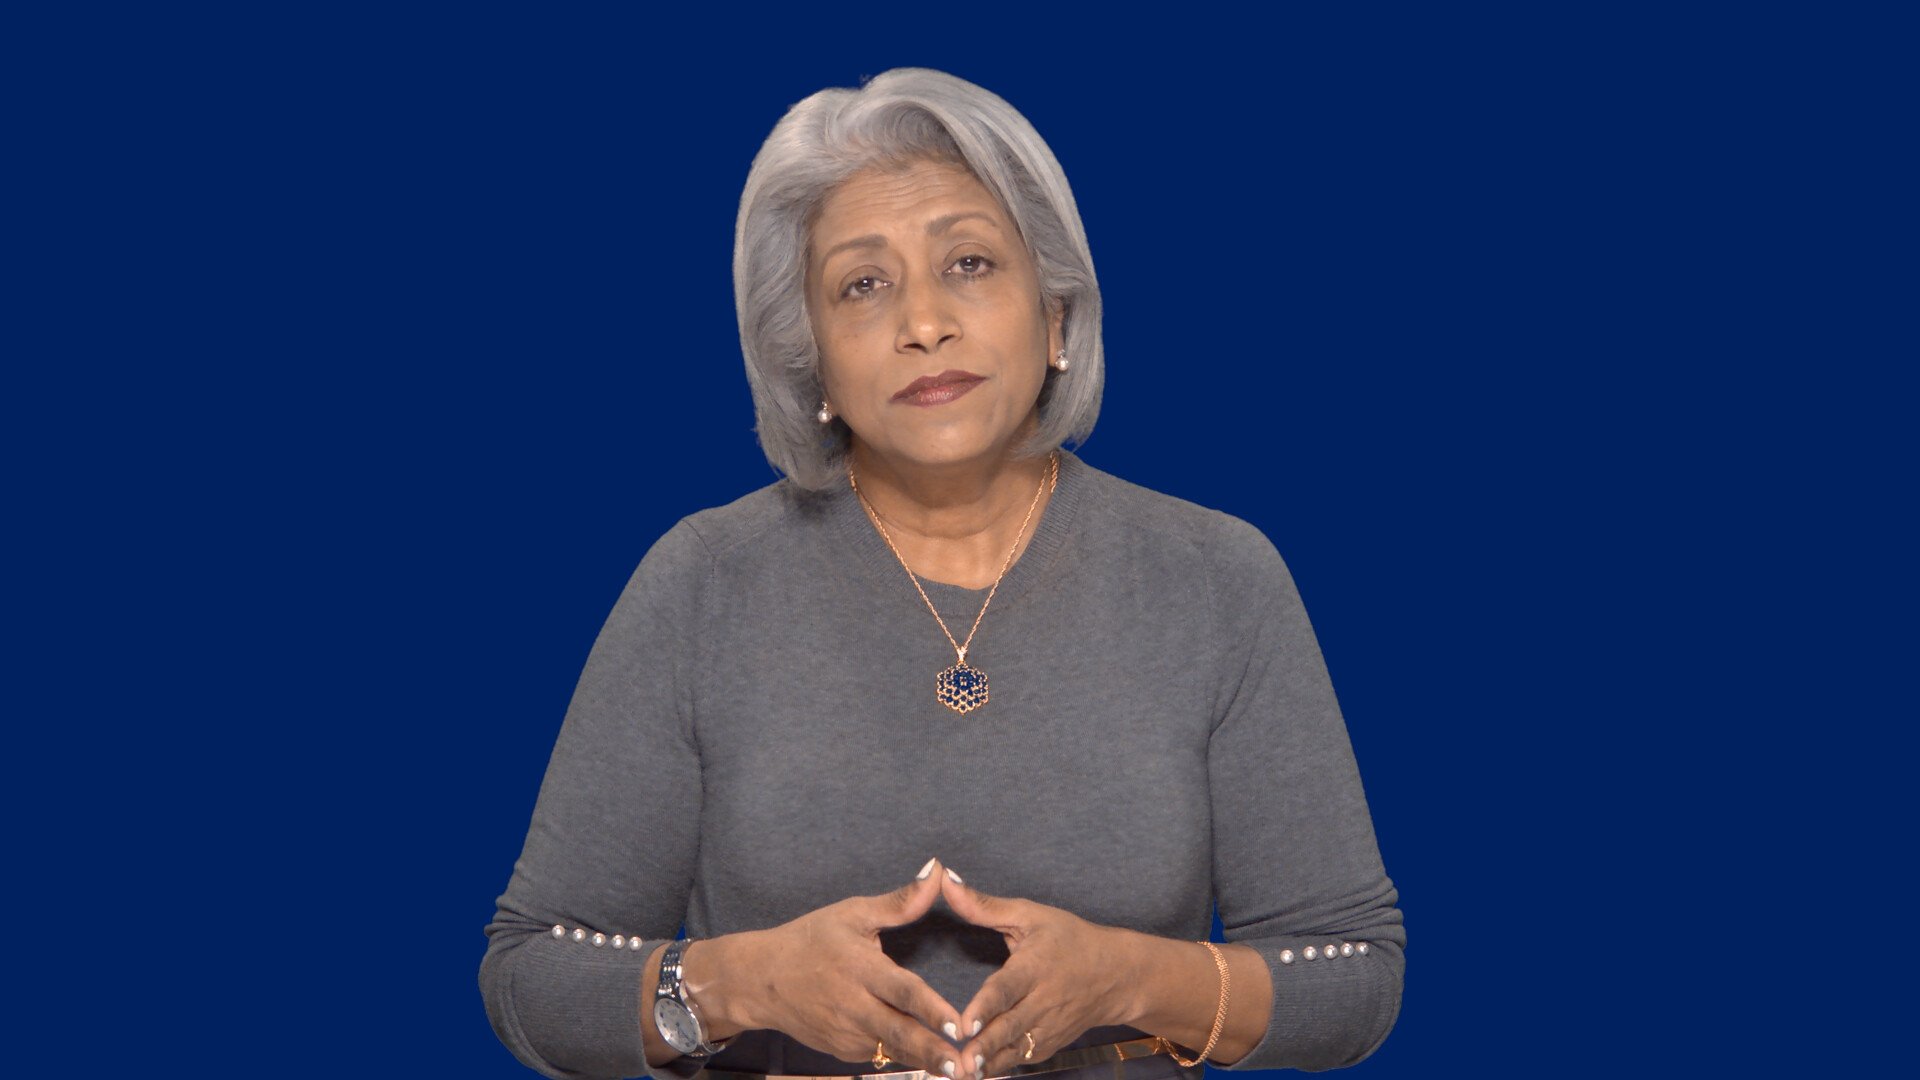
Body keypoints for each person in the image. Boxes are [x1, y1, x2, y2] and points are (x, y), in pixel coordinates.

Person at [479, 68, 1405, 1080]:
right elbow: (534, 970)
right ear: (811, 363)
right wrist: (738, 985)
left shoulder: (1217, 580)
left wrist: (1134, 977)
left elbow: (1352, 971)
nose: (924, 321)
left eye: (968, 262)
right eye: (863, 284)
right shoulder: (703, 585)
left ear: (1056, 320)